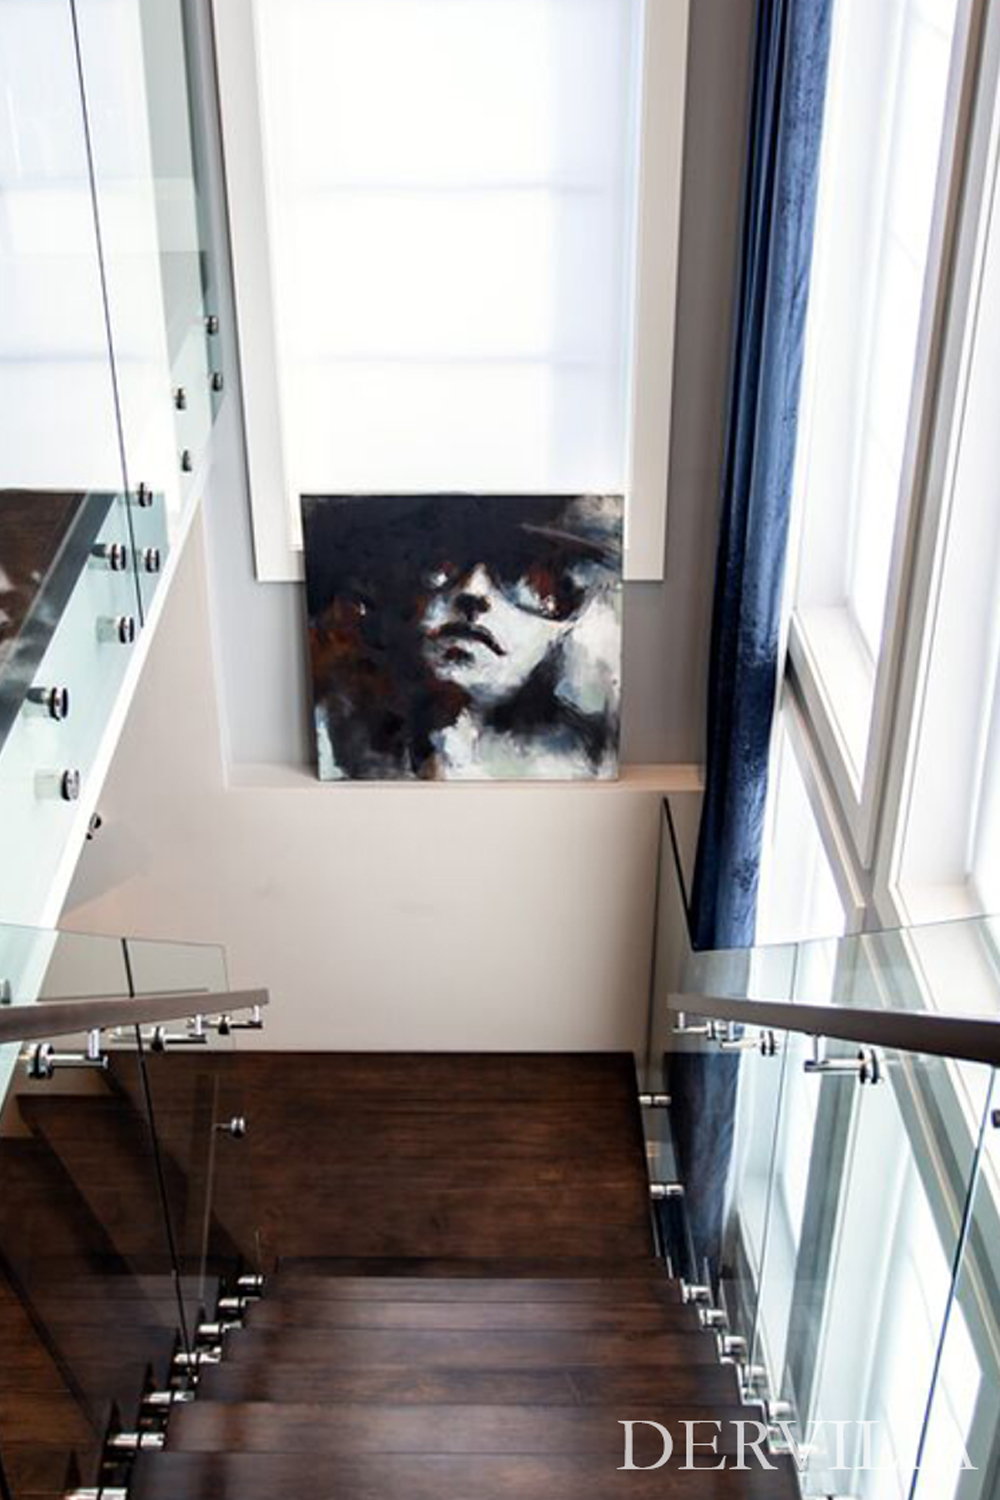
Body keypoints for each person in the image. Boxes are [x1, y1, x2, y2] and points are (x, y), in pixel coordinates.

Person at [302, 493, 622, 781]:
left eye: (526, 573)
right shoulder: (329, 735)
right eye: (439, 561)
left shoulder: (581, 762)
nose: (475, 591)